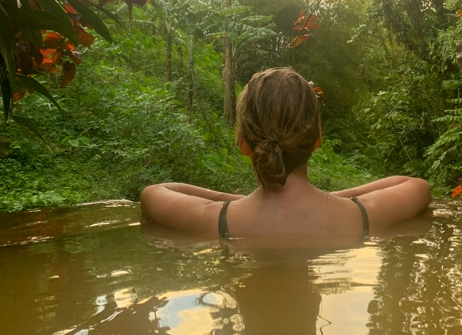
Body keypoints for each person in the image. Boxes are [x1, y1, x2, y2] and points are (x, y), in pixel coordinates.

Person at [140, 67, 431, 241]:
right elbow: (417, 186)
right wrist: (334, 199)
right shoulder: (360, 215)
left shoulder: (218, 220)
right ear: (317, 139)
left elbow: (154, 193)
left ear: (242, 143)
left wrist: (238, 203)